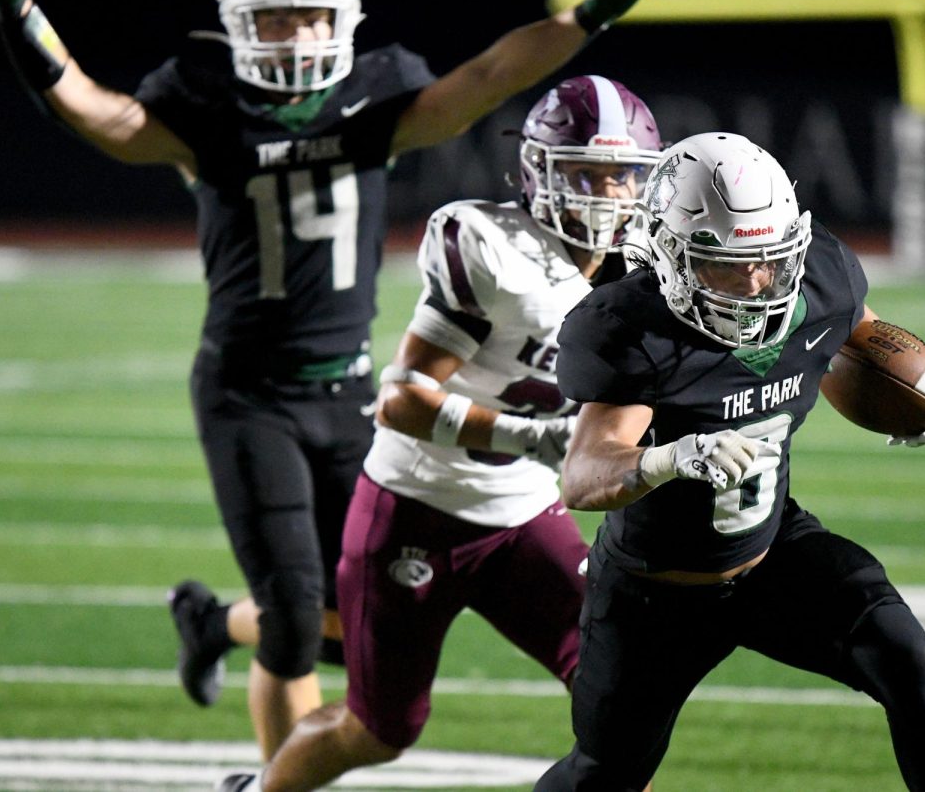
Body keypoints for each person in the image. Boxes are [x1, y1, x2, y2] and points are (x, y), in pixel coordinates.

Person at [0, 0, 662, 760]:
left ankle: (212, 623)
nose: (296, 38)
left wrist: (589, 16)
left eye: (312, 18)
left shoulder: (371, 102)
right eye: (277, 21)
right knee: (294, 617)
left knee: (336, 624)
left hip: (349, 387)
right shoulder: (207, 108)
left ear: (343, 23)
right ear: (239, 26)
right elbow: (97, 113)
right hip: (248, 393)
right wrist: (15, 8)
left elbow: (489, 75)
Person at [215, 75, 662, 792]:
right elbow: (401, 399)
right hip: (413, 509)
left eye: (622, 177)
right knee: (380, 728)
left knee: (621, 683)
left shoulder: (645, 276)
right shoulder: (495, 250)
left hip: (519, 513)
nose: (605, 195)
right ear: (538, 171)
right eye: (585, 173)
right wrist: (535, 438)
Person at [533, 132, 925, 791]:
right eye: (724, 264)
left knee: (907, 661)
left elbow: (855, 339)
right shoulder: (633, 326)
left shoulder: (821, 275)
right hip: (653, 592)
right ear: (667, 254)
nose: (754, 282)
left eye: (768, 260)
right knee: (606, 773)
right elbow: (584, 472)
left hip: (773, 556)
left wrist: (921, 392)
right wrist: (669, 458)